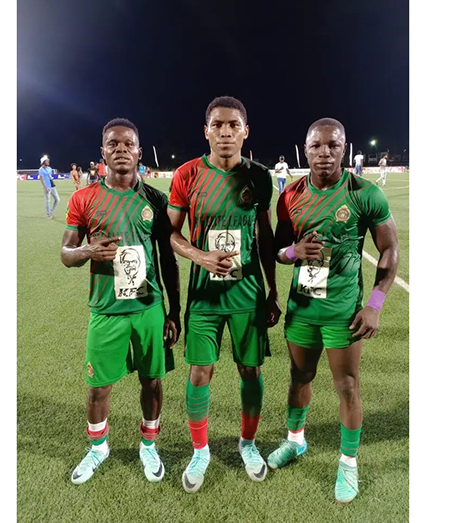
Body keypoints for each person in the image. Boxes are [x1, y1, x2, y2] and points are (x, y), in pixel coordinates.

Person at [267, 118, 400, 505]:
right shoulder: (290, 195)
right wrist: (294, 252)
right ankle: (295, 442)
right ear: (305, 149)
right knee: (299, 377)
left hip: (343, 312)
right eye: (316, 146)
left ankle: (348, 462)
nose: (324, 153)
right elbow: (276, 250)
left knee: (347, 386)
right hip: (302, 309)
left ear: (344, 148)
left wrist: (374, 304)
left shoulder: (364, 192)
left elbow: (389, 248)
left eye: (333, 145)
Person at [167, 96, 281, 493]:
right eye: (218, 125)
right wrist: (201, 256)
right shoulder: (187, 174)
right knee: (201, 371)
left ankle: (247, 443)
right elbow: (170, 234)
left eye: (234, 125)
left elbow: (265, 236)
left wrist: (272, 291)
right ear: (206, 131)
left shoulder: (260, 176)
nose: (226, 131)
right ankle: (201, 451)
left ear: (246, 131)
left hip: (247, 293)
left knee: (251, 370)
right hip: (203, 296)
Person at [61, 118, 182, 485]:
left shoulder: (155, 200)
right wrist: (87, 250)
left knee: (153, 381)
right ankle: (99, 448)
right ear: (103, 152)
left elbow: (168, 259)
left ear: (139, 153)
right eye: (113, 143)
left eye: (128, 144)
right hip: (106, 312)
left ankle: (149, 444)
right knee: (99, 386)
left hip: (148, 309)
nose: (121, 149)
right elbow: (66, 254)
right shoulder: (84, 198)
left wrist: (173, 312)